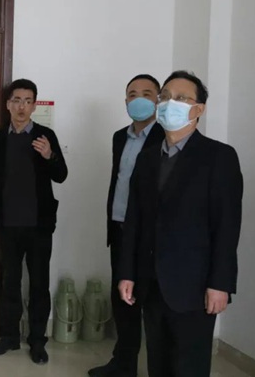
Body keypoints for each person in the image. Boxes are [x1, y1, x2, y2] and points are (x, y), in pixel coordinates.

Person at [118, 71, 243, 377]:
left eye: (180, 98)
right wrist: (127, 273)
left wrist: (220, 283)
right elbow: (134, 221)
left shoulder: (219, 157)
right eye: (164, 97)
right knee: (158, 363)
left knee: (189, 367)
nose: (168, 103)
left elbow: (227, 227)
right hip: (151, 283)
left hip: (195, 286)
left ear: (198, 109)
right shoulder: (147, 159)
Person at [0, 78, 68, 365]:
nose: (21, 106)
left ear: (34, 105)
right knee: (9, 282)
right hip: (7, 224)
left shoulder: (45, 135)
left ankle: (37, 340)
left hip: (38, 225)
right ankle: (9, 336)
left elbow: (61, 175)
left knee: (39, 284)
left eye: (27, 101)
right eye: (16, 100)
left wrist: (49, 155)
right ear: (8, 104)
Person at [88, 74, 164, 377]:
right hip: (120, 229)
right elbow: (118, 180)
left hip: (151, 235)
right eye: (132, 94)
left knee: (153, 301)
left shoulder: (166, 137)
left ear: (158, 100)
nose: (139, 99)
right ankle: (124, 363)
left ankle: (160, 366)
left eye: (147, 93)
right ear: (126, 101)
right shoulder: (120, 137)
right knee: (122, 299)